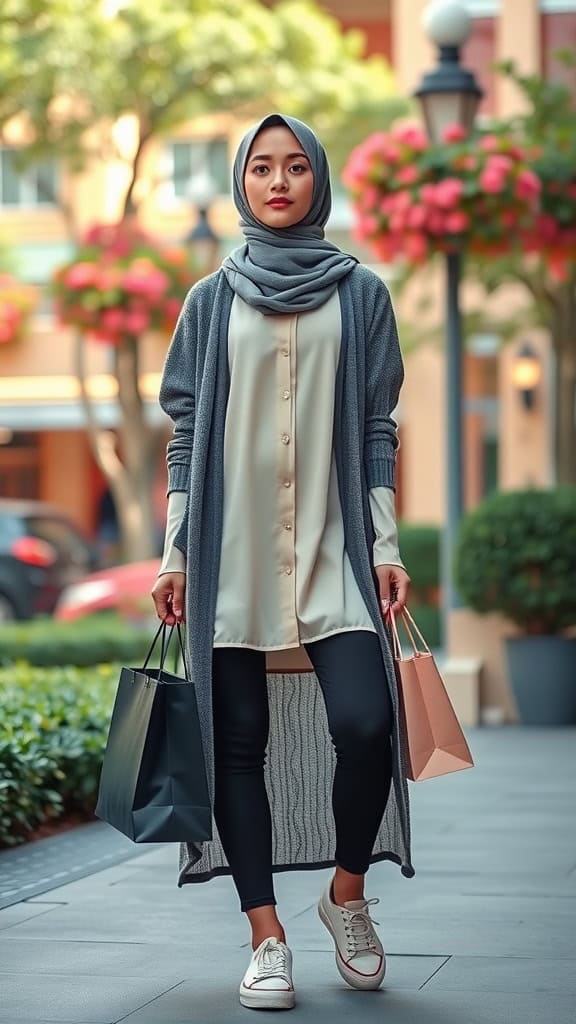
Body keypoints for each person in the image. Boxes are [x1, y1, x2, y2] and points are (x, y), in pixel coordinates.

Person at [152, 113, 414, 1012]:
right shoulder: (209, 300)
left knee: (368, 722)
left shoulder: (363, 294)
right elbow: (187, 433)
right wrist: (176, 551)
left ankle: (346, 895)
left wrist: (384, 544)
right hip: (228, 552)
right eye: (261, 167)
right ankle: (265, 935)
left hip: (333, 550)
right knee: (237, 745)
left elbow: (378, 428)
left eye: (295, 166)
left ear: (319, 180)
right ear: (241, 184)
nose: (277, 181)